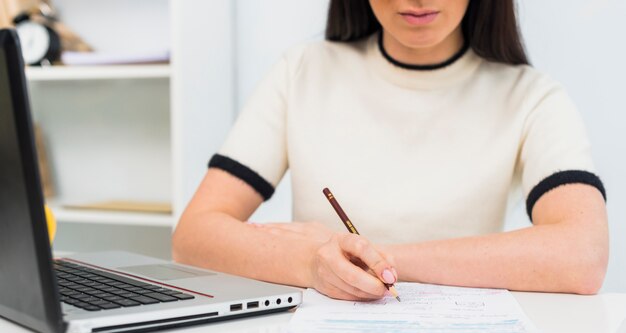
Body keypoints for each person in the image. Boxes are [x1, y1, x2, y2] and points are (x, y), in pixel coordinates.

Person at [173, 0, 608, 301]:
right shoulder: (302, 72)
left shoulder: (532, 97)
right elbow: (193, 237)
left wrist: (365, 261)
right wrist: (307, 265)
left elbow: (582, 256)